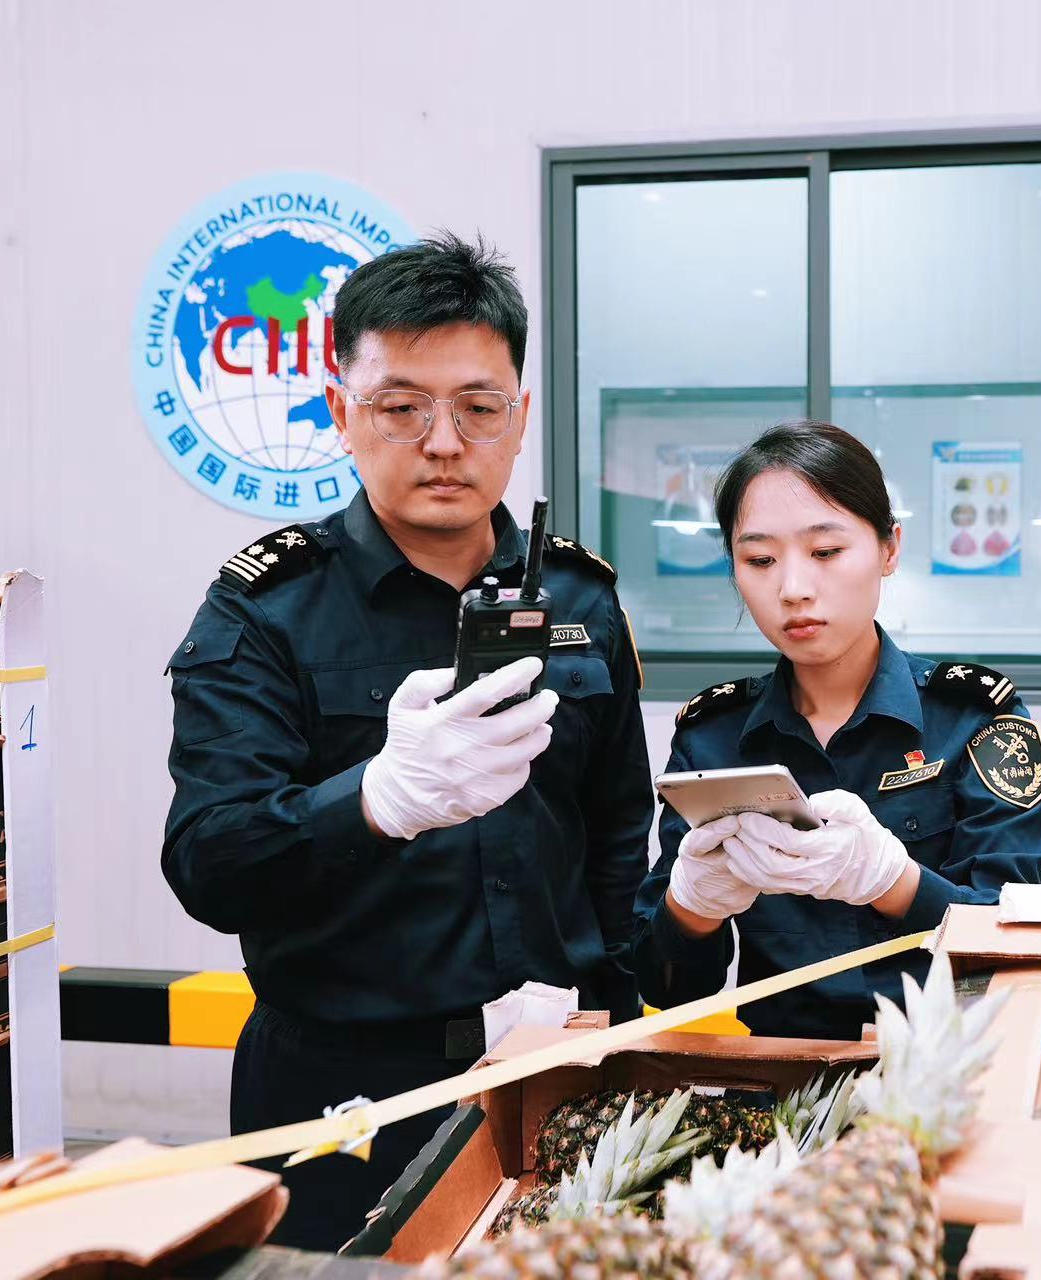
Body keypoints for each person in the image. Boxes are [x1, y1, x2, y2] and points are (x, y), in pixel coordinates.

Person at [161, 233, 652, 1249]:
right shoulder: (266, 609)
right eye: (402, 407)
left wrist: (611, 1010)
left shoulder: (581, 598)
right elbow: (209, 861)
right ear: (341, 411)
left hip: (555, 1071)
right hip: (339, 1090)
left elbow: (615, 829)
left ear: (519, 418)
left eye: (478, 407)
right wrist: (374, 803)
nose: (443, 442)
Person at [631, 421, 1041, 1040]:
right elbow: (669, 990)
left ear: (889, 549)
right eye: (759, 560)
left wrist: (893, 882)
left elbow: (1013, 951)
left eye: (825, 552)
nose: (793, 589)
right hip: (781, 1083)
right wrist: (692, 906)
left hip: (939, 1069)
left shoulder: (977, 719)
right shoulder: (712, 738)